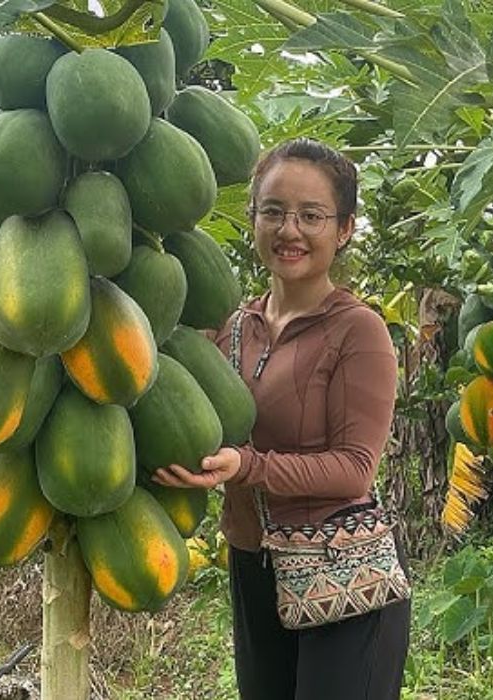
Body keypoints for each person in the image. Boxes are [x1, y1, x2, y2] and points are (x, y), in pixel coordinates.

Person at [151, 138, 410, 699]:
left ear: (343, 229)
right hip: (255, 566)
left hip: (341, 577)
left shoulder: (357, 330)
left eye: (311, 216)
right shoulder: (230, 327)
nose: (289, 230)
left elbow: (353, 470)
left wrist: (245, 466)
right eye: (273, 211)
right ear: (253, 219)